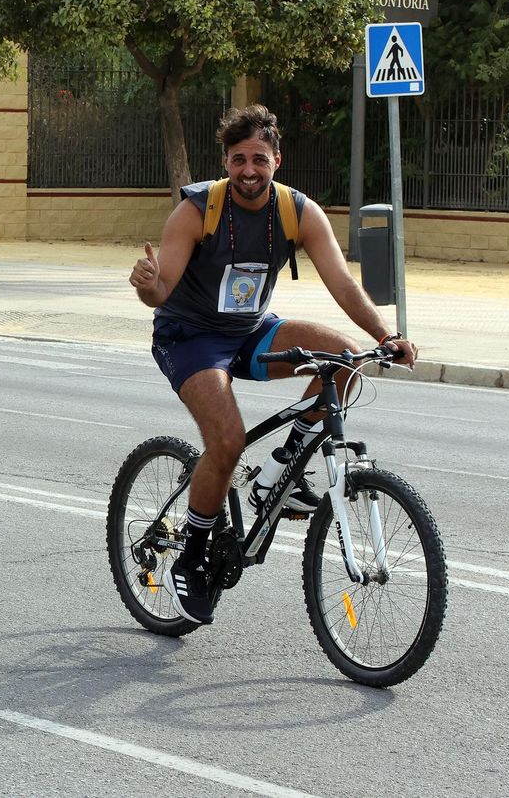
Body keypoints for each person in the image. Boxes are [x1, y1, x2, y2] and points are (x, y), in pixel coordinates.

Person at [129, 104, 418, 626]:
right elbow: (162, 289)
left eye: (258, 159)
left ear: (276, 161)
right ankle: (191, 556)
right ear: (226, 162)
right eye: (239, 159)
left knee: (346, 360)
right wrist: (149, 287)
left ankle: (279, 470)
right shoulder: (196, 211)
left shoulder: (297, 212)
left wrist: (386, 335)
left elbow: (342, 282)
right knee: (227, 441)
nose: (249, 170)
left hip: (251, 331)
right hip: (189, 338)